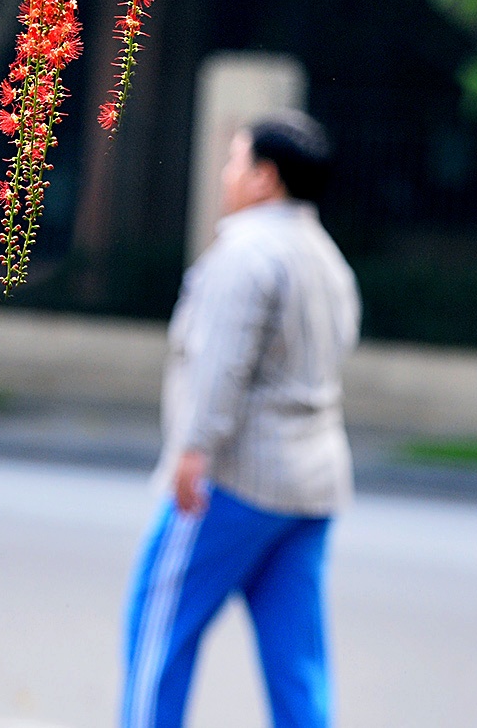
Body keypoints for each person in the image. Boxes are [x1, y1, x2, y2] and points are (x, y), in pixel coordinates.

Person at [121, 111, 361, 728]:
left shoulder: (245, 253)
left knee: (159, 632)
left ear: (265, 177)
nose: (226, 174)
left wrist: (192, 449)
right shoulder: (327, 260)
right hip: (311, 484)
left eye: (235, 160)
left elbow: (218, 363)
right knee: (297, 664)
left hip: (236, 478)